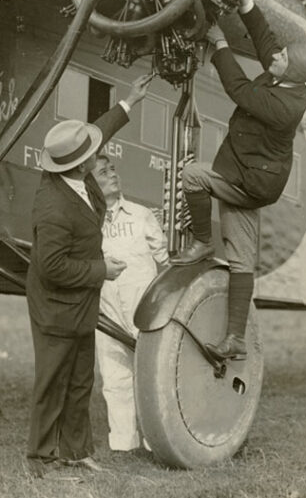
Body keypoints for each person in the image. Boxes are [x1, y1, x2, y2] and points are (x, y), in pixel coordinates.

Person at [172, 0, 306, 362]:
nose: (275, 56)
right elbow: (266, 41)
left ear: (293, 72)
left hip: (250, 182)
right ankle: (235, 339)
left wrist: (220, 44)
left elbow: (239, 89)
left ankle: (203, 242)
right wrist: (247, 4)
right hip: (251, 174)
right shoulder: (288, 75)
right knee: (241, 260)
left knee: (193, 176)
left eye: (282, 57)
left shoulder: (284, 105)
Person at [25, 73, 152, 479]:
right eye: (93, 157)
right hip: (57, 308)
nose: (100, 157)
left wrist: (129, 102)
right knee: (52, 383)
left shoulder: (74, 173)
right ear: (81, 165)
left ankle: (76, 453)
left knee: (80, 379)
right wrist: (104, 271)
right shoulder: (54, 208)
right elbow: (52, 267)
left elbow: (94, 133)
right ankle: (42, 461)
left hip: (79, 303)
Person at [91, 155, 168, 453]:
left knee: (148, 377)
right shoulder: (88, 221)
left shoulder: (141, 215)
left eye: (113, 169)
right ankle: (124, 444)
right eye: (103, 172)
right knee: (114, 379)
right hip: (107, 311)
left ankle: (155, 440)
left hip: (142, 312)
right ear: (91, 183)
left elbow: (165, 257)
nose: (112, 174)